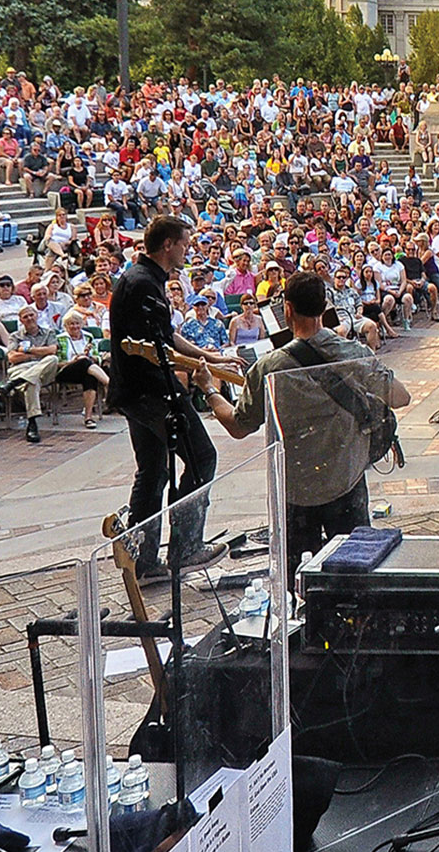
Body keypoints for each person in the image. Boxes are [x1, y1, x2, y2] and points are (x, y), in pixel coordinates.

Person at [205, 271, 411, 575]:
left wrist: (209, 389)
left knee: (298, 577)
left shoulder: (269, 366)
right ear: (325, 305)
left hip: (296, 490)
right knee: (354, 569)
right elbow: (401, 397)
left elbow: (238, 426)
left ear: (286, 309)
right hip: (346, 479)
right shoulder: (351, 353)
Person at [110, 216, 238, 580]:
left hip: (136, 392)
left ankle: (144, 562)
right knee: (201, 457)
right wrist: (207, 369)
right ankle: (185, 548)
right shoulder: (143, 284)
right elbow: (158, 347)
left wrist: (212, 358)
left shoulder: (144, 279)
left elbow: (167, 336)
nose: (188, 250)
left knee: (153, 471)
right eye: (184, 243)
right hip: (152, 390)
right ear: (168, 244)